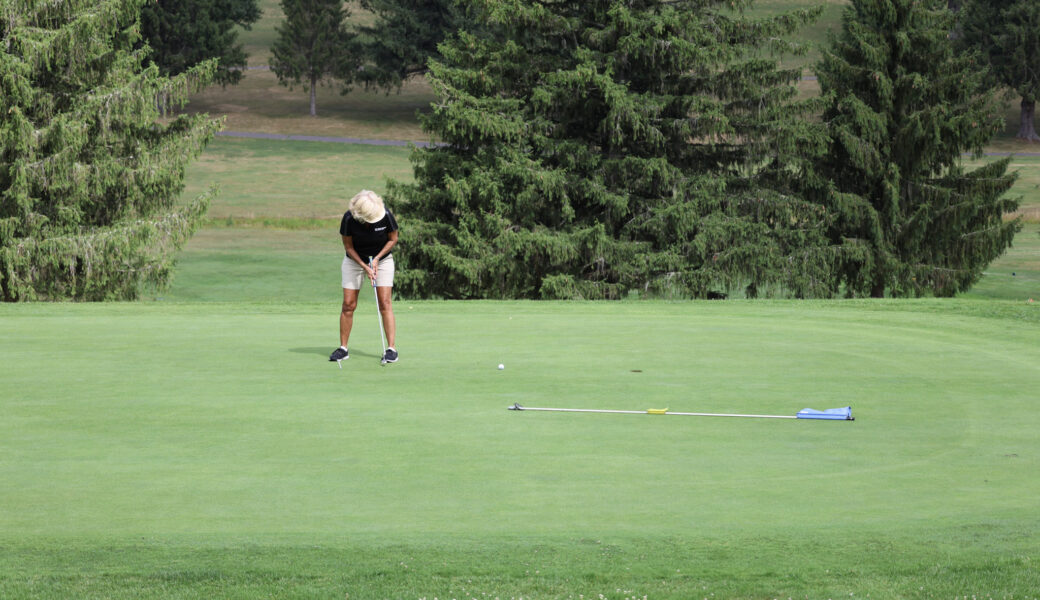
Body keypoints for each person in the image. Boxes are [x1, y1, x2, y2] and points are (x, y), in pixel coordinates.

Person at [329, 190, 399, 364]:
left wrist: (375, 260)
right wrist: (364, 266)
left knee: (385, 302)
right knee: (348, 304)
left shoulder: (386, 215)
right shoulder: (348, 219)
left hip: (382, 261)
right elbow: (348, 246)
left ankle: (391, 349)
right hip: (354, 261)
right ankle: (343, 348)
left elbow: (393, 239)